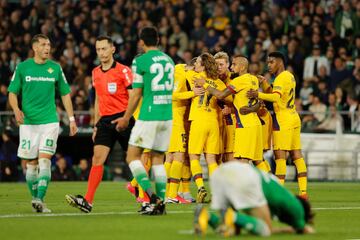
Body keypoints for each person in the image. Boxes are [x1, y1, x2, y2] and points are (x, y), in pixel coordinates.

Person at [8, 34, 78, 213]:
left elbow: (65, 94)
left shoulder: (55, 68)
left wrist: (71, 119)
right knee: (31, 164)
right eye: (43, 45)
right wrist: (16, 109)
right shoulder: (23, 68)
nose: (48, 47)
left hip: (49, 121)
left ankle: (40, 197)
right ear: (35, 48)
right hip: (29, 123)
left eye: (49, 44)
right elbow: (12, 92)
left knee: (45, 160)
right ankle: (35, 199)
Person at [65, 35, 134, 213]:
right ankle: (88, 201)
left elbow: (134, 96)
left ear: (113, 49)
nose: (101, 52)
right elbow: (97, 100)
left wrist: (127, 117)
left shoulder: (123, 70)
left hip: (123, 118)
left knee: (134, 161)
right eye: (98, 49)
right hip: (104, 122)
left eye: (104, 48)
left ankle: (147, 198)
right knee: (97, 159)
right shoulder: (95, 72)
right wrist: (96, 124)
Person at [112, 26, 174, 215]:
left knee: (132, 156)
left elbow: (136, 93)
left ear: (141, 41)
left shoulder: (140, 61)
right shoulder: (169, 60)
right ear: (157, 40)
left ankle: (150, 198)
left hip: (149, 115)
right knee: (157, 160)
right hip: (167, 116)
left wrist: (125, 117)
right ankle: (161, 202)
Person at [194, 161, 315, 237]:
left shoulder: (279, 190)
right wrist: (298, 228)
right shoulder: (297, 207)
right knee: (265, 230)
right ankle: (232, 216)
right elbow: (303, 228)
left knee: (231, 229)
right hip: (247, 178)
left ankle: (207, 216)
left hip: (220, 173)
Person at [247, 51, 308, 197]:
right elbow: (278, 95)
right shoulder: (289, 76)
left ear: (280, 62)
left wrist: (258, 94)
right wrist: (265, 84)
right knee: (297, 155)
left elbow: (275, 97)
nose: (269, 65)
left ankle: (279, 193)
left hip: (283, 120)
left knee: (280, 157)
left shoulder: (281, 78)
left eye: (271, 62)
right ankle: (303, 192)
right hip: (294, 116)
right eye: (268, 62)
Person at [195, 55, 268, 172]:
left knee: (242, 161)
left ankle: (242, 190)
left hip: (245, 125)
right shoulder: (254, 79)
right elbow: (259, 102)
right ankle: (270, 187)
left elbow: (220, 95)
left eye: (234, 64)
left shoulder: (238, 81)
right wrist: (250, 109)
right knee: (258, 160)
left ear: (242, 67)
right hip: (255, 123)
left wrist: (205, 84)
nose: (232, 67)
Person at [187, 53, 232, 203]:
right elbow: (229, 99)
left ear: (204, 65)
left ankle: (200, 187)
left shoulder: (194, 76)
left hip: (199, 120)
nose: (195, 65)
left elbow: (181, 72)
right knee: (211, 159)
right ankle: (217, 192)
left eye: (198, 62)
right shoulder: (218, 82)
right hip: (213, 122)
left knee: (194, 156)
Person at [166, 59, 199, 204]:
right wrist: (193, 93)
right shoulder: (179, 74)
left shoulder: (178, 71)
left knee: (171, 157)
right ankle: (171, 194)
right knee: (177, 156)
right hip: (175, 120)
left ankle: (168, 194)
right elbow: (172, 95)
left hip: (174, 119)